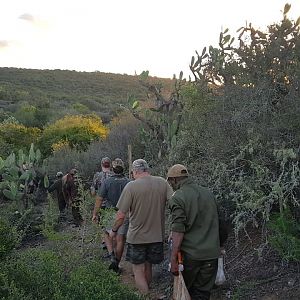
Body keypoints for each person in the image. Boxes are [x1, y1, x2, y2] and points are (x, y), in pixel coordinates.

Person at [109, 159, 173, 294]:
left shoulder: (131, 187)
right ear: (147, 169)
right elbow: (176, 205)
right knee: (148, 266)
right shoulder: (162, 183)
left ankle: (145, 295)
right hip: (156, 236)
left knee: (138, 270)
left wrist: (113, 231)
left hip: (137, 238)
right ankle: (146, 291)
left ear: (134, 172)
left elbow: (121, 215)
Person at [167, 164, 220, 300]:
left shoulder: (177, 197)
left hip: (190, 256)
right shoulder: (208, 193)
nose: (170, 184)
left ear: (174, 180)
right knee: (203, 294)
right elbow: (221, 224)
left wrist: (173, 259)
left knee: (186, 293)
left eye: (170, 181)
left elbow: (178, 230)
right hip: (211, 255)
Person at [92, 158, 130, 272]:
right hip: (123, 213)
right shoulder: (128, 182)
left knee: (107, 234)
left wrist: (95, 213)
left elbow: (99, 199)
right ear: (123, 168)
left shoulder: (107, 182)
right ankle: (117, 263)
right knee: (120, 239)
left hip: (109, 212)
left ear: (113, 169)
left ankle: (111, 256)